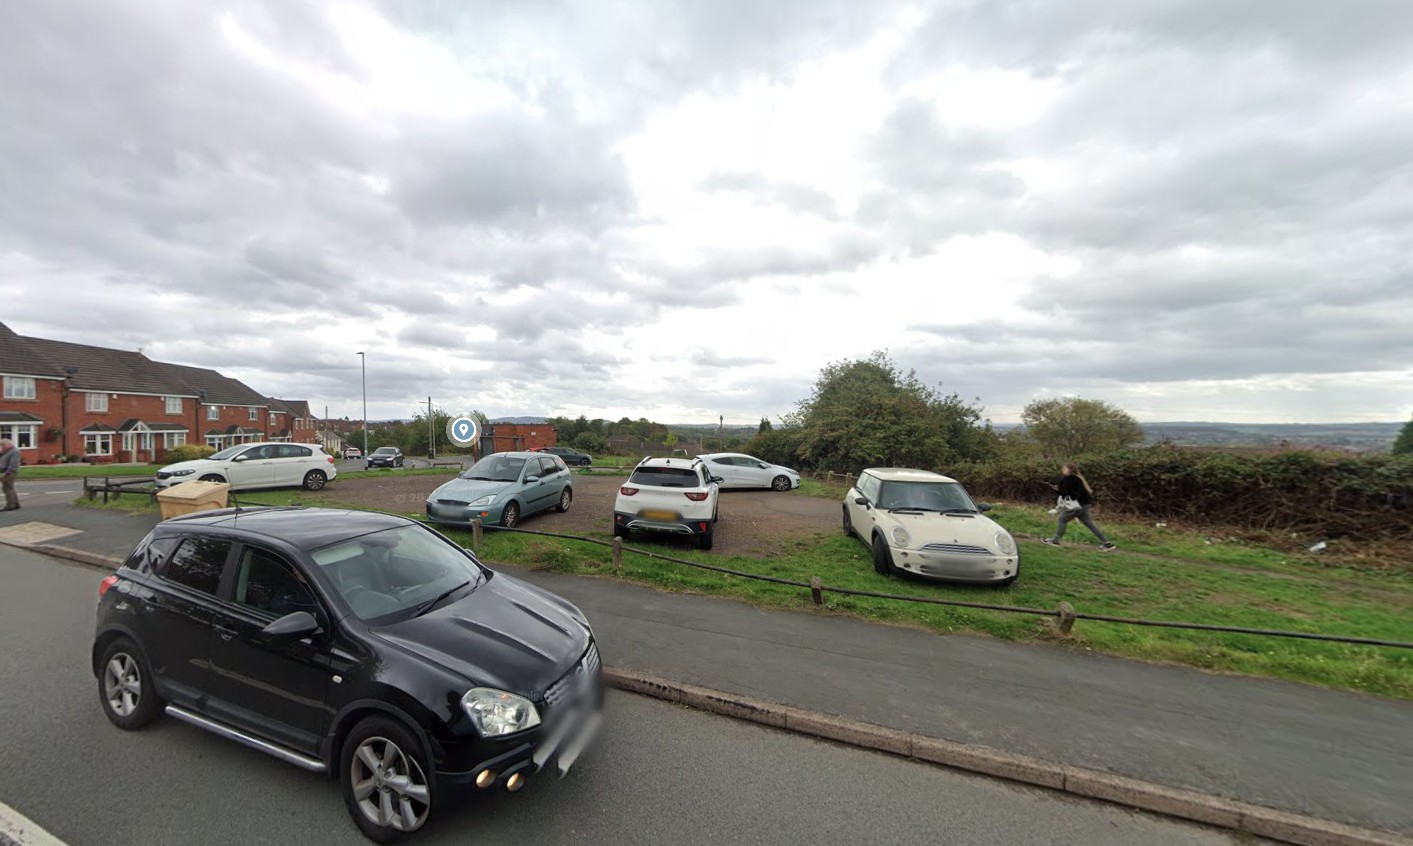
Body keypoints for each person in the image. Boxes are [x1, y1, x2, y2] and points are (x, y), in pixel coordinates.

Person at [1043, 463, 1114, 551]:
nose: (1062, 470)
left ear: (1069, 470)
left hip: (1076, 505)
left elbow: (1071, 493)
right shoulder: (1078, 478)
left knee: (1062, 520)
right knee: (1090, 524)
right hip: (1084, 505)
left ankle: (1055, 541)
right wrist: (1060, 490)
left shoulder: (1070, 479)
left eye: (1064, 468)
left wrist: (1059, 490)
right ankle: (1107, 544)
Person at [0, 439, 20, 511]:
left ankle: (11, 505)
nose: (2, 447)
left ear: (8, 444)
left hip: (9, 472)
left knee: (7, 488)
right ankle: (15, 503)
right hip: (5, 471)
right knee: (10, 488)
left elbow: (13, 464)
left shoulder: (14, 451)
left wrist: (6, 473)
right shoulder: (6, 451)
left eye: (3, 445)